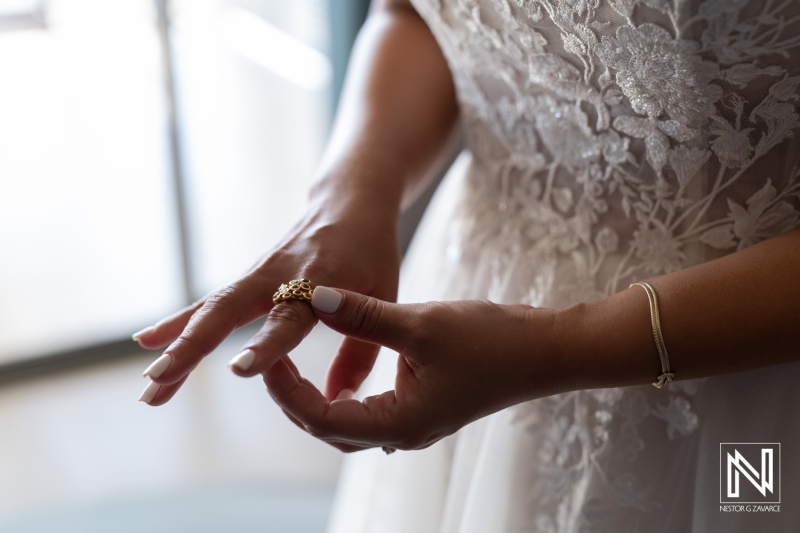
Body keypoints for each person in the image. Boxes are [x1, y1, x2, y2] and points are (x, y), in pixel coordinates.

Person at [134, 0, 800, 531]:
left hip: (729, 365)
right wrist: (355, 191)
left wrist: (559, 347)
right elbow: (418, 13)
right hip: (474, 276)